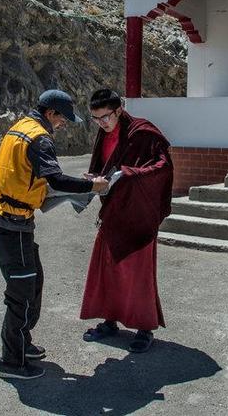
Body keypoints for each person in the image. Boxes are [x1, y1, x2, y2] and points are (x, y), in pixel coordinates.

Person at [0, 89, 109, 380]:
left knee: (33, 283)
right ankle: (11, 363)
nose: (64, 124)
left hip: (11, 222)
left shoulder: (19, 128)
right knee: (21, 294)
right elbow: (54, 178)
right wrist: (93, 187)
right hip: (14, 225)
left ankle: (22, 344)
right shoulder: (40, 138)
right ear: (51, 114)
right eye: (63, 119)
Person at [80, 88, 173, 353]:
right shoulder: (104, 134)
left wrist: (128, 174)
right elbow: (104, 166)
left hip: (138, 214)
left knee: (138, 273)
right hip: (113, 212)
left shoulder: (143, 132)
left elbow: (162, 168)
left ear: (119, 110)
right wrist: (94, 178)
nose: (102, 123)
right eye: (96, 119)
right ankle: (110, 321)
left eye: (106, 117)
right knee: (108, 269)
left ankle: (145, 328)